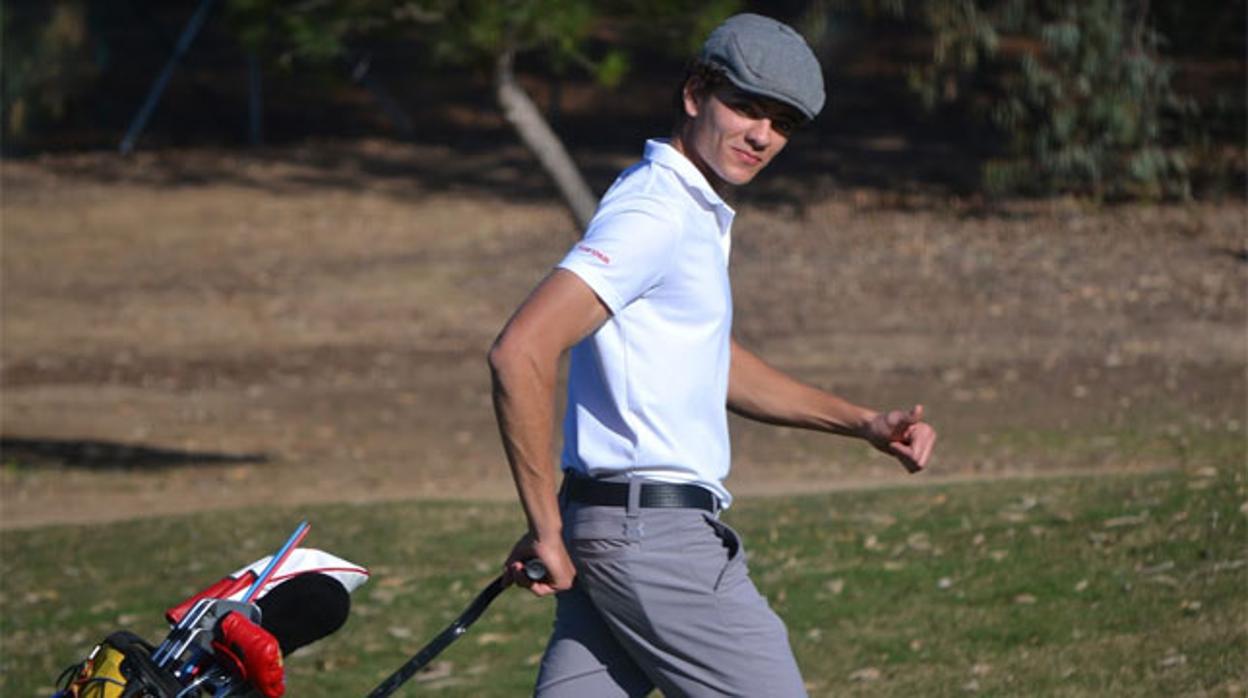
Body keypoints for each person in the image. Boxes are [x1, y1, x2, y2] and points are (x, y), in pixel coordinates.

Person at [488, 13, 936, 697]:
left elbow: (707, 359)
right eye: (747, 108)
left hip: (609, 528)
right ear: (696, 93)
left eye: (782, 123)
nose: (763, 135)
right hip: (654, 540)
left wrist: (863, 423)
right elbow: (522, 350)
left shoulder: (685, 210)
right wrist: (545, 525)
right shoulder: (656, 214)